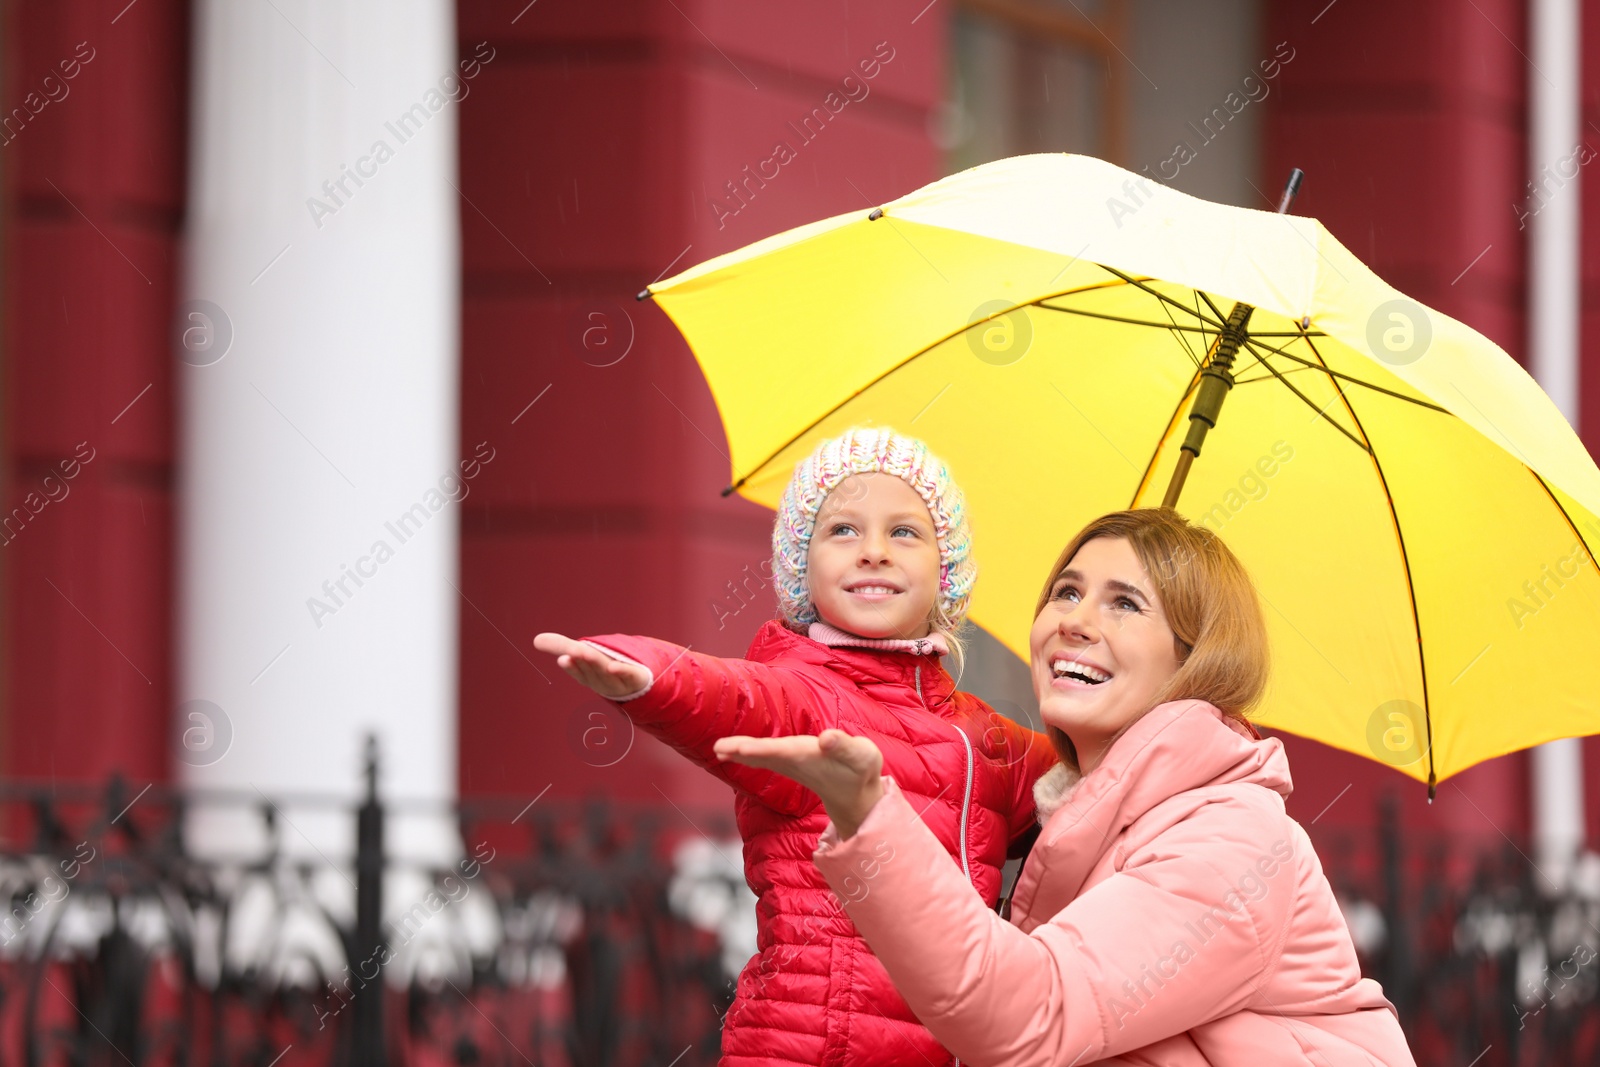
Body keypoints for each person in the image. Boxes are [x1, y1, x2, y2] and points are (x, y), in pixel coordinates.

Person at [716, 508, 1418, 1066]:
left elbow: (1030, 1018)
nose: (1076, 621)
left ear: (1193, 657)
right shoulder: (1085, 819)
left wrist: (872, 820)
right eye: (1067, 591)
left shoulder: (1229, 835)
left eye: (1125, 604)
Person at [535, 426, 1057, 1067]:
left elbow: (1094, 771)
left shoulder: (985, 737)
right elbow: (728, 695)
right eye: (842, 530)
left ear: (945, 574)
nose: (873, 552)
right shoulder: (804, 697)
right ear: (800, 567)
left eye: (904, 532)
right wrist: (647, 675)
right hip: (807, 1047)